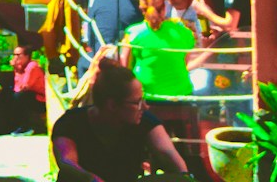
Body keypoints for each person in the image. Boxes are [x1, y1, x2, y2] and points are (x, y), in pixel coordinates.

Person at [51, 63, 188, 182]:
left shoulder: (144, 121)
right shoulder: (71, 122)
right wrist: (92, 180)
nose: (145, 107)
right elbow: (67, 163)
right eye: (137, 102)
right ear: (112, 105)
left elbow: (169, 155)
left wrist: (185, 178)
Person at [120, 0, 194, 98]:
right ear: (164, 8)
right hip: (181, 95)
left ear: (142, 9)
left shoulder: (133, 33)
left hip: (146, 95)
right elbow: (185, 62)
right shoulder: (184, 32)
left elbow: (125, 67)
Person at [82, 0, 140, 73]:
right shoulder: (139, 3)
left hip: (101, 60)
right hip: (130, 64)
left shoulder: (98, 1)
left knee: (82, 63)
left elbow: (89, 36)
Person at [9, 41, 46, 134]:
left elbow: (25, 87)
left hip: (42, 100)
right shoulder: (21, 67)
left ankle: (26, 127)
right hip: (32, 97)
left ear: (27, 56)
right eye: (14, 55)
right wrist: (16, 69)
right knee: (10, 94)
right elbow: (16, 88)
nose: (15, 57)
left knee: (19, 97)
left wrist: (17, 70)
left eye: (18, 55)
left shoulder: (32, 66)